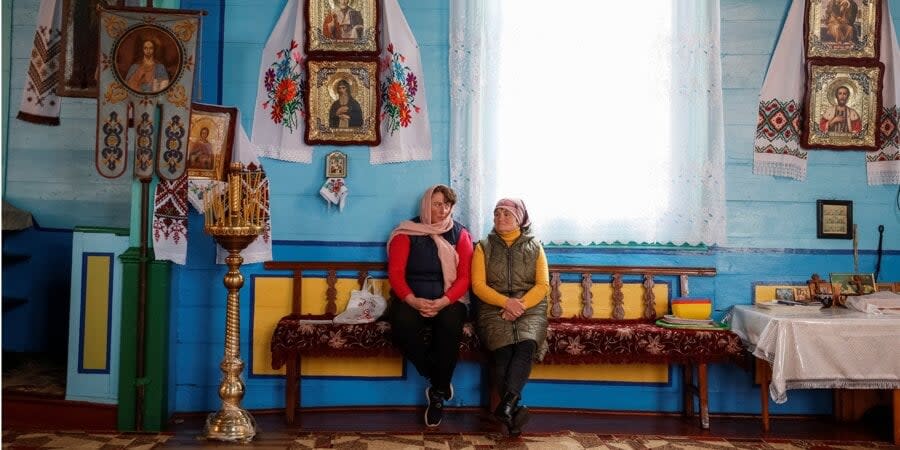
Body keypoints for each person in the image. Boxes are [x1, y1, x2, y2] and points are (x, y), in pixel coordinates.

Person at [386, 185, 473, 428]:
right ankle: (440, 381)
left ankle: (436, 396)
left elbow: (465, 277)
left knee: (450, 323)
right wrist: (413, 300)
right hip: (411, 299)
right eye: (437, 203)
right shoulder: (406, 232)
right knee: (401, 322)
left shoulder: (460, 234)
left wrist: (443, 301)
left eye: (447, 204)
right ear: (426, 204)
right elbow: (395, 274)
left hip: (449, 300)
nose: (443, 209)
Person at [472, 198, 549, 437]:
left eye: (506, 214)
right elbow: (478, 285)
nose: (500, 218)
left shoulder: (535, 245)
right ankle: (512, 409)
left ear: (520, 218)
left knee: (526, 345)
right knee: (503, 351)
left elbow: (542, 285)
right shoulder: (483, 246)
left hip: (530, 307)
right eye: (497, 214)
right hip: (493, 306)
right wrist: (506, 303)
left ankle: (506, 406)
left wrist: (519, 305)